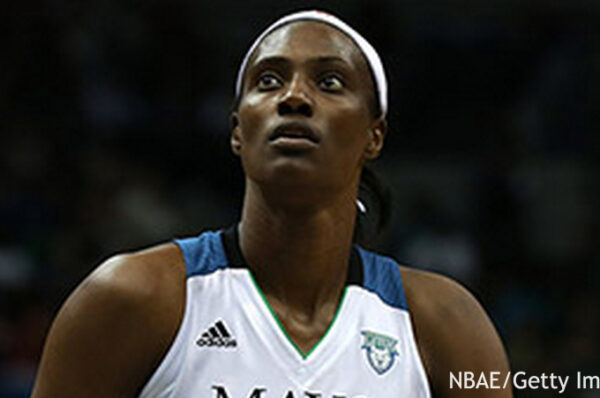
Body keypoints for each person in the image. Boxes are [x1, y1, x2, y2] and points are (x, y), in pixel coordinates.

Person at [31, 10, 511, 398]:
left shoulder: (446, 324)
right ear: (238, 130)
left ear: (374, 135)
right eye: (269, 81)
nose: (294, 97)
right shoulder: (134, 298)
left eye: (329, 82)